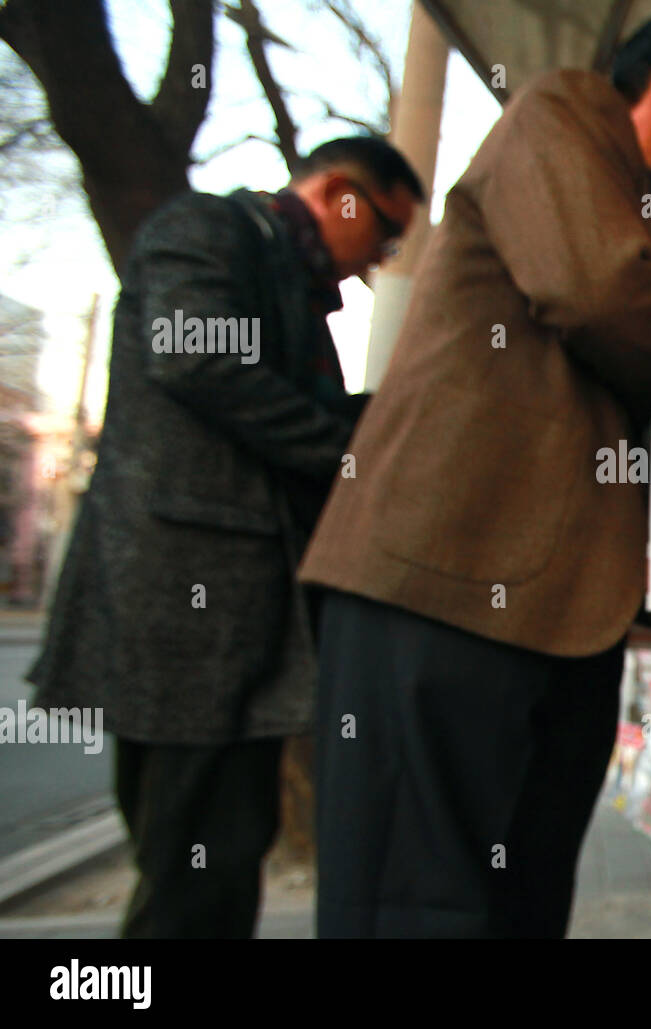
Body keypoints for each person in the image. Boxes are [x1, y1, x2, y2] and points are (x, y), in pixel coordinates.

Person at [299, 12, 651, 937]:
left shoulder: (633, 208)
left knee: (514, 907)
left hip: (547, 621)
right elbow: (591, 286)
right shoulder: (565, 111)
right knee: (415, 908)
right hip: (443, 584)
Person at [26, 137, 422, 938]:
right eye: (383, 236)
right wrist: (350, 455)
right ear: (342, 194)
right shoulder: (209, 230)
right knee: (194, 867)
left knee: (215, 851)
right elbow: (197, 362)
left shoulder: (289, 278)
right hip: (185, 611)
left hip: (233, 623)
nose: (377, 264)